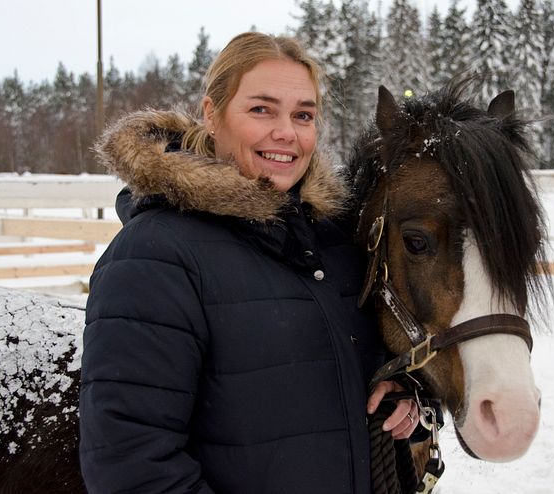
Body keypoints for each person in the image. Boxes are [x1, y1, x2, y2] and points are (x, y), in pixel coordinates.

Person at [79, 32, 419, 494]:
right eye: (262, 109)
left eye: (303, 115)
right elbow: (130, 466)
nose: (286, 133)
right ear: (212, 115)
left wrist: (403, 393)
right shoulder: (155, 256)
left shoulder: (338, 243)